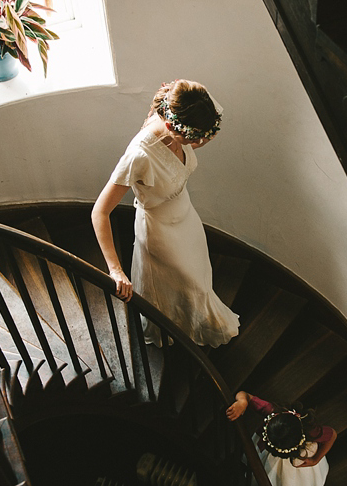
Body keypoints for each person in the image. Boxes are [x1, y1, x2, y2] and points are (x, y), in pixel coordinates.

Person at [91, 79, 240, 348]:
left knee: (198, 273)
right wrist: (115, 271)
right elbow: (99, 212)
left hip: (186, 218)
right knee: (187, 282)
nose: (201, 142)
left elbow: (189, 144)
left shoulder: (188, 108)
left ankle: (197, 319)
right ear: (172, 126)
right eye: (194, 138)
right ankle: (173, 328)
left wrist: (197, 139)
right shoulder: (139, 156)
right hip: (161, 232)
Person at [226, 391, 337, 486]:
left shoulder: (311, 431)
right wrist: (242, 402)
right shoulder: (272, 411)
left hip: (296, 464)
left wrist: (315, 459)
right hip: (271, 458)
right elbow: (245, 395)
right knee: (270, 482)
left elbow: (332, 435)